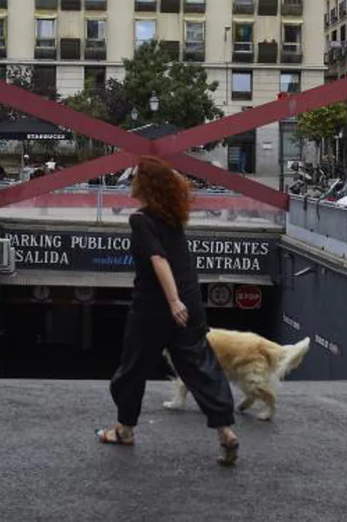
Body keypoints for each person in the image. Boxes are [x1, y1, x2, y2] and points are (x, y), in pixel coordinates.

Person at [96, 156, 240, 466]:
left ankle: (124, 430)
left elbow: (157, 260)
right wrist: (181, 302)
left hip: (153, 309)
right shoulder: (174, 219)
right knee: (201, 369)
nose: (132, 181)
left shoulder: (141, 220)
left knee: (132, 371)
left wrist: (172, 301)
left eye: (135, 177)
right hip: (190, 304)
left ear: (145, 186)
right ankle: (224, 431)